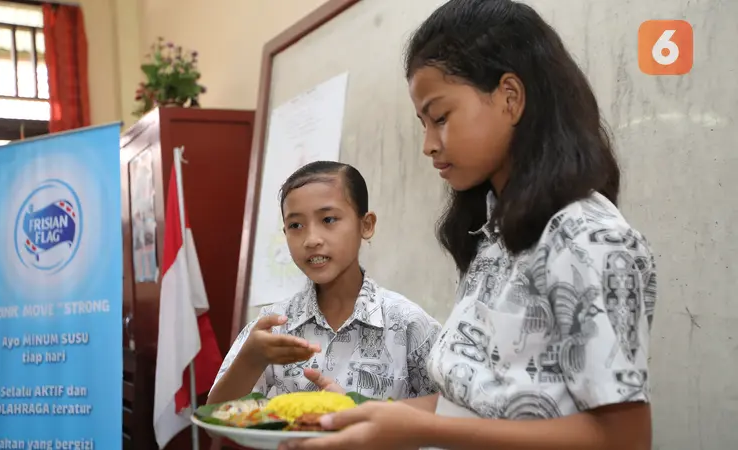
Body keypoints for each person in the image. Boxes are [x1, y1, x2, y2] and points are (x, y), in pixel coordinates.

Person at [279, 1, 656, 449]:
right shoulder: (494, 237)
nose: (428, 145)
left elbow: (624, 438)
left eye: (440, 118)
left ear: (510, 97)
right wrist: (359, 413)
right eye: (423, 123)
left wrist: (417, 428)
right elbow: (474, 403)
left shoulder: (588, 238)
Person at [207, 161, 442, 404]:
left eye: (328, 219)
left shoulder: (409, 325)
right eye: (295, 225)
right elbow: (216, 419)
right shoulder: (273, 327)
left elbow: (454, 416)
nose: (311, 239)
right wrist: (250, 359)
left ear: (366, 225)